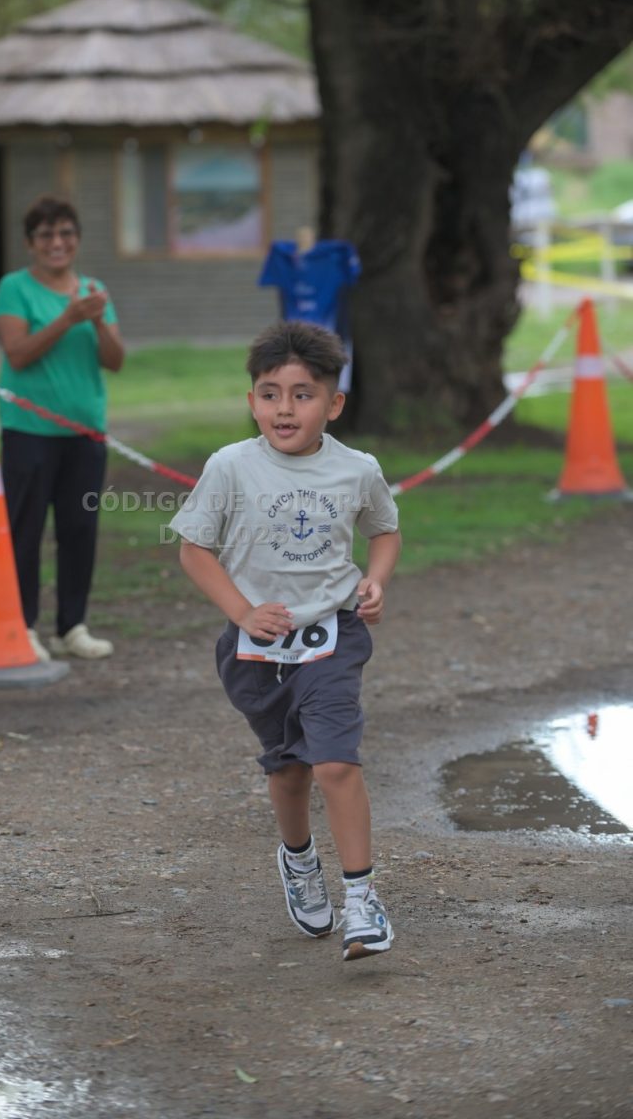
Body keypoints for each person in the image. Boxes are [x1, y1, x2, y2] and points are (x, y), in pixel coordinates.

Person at [170, 322, 401, 961]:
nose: (285, 409)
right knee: (290, 768)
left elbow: (384, 531)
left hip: (332, 636)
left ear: (334, 403)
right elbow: (193, 549)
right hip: (255, 651)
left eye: (303, 395)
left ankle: (362, 900)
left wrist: (376, 581)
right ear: (252, 402)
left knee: (334, 762)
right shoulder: (230, 466)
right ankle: (299, 860)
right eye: (270, 395)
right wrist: (243, 612)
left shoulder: (357, 469)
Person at [0, 195, 125, 663]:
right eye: (46, 234)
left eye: (66, 233)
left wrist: (98, 322)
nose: (57, 242)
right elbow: (18, 354)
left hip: (86, 434)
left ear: (77, 239)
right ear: (30, 243)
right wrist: (69, 318)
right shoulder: (14, 288)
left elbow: (115, 361)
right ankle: (22, 626)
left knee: (79, 529)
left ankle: (72, 627)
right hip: (29, 431)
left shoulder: (93, 290)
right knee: (24, 531)